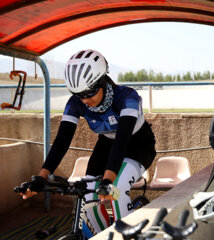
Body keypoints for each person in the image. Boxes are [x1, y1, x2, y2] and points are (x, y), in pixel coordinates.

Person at [17, 49, 156, 234]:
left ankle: (128, 234)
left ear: (102, 82)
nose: (84, 100)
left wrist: (108, 181)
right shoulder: (76, 102)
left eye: (88, 93)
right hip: (106, 143)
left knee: (118, 187)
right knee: (88, 190)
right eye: (78, 94)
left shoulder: (127, 97)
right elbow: (62, 141)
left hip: (137, 143)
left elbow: (122, 141)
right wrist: (40, 178)